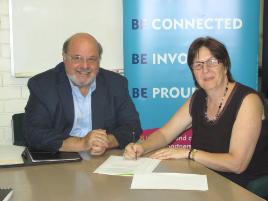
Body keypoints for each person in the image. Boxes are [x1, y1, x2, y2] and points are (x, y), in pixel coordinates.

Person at [124, 36, 268, 188]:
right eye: (198, 65)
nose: (205, 70)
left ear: (225, 65)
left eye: (212, 62)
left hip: (242, 187)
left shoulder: (248, 101)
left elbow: (237, 164)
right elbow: (165, 134)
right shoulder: (198, 98)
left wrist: (190, 153)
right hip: (205, 179)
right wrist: (142, 147)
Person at [23, 32, 142, 155]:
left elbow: (133, 126)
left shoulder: (116, 83)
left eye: (92, 59)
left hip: (103, 158)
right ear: (64, 57)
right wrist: (81, 143)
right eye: (77, 58)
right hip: (61, 159)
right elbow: (33, 133)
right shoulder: (43, 85)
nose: (85, 66)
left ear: (99, 60)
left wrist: (106, 141)